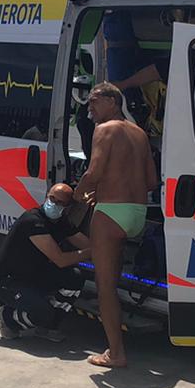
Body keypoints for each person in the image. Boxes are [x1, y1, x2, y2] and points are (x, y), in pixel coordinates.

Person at [76, 82, 158, 370]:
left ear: (113, 101)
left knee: (105, 287)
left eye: (95, 101)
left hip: (110, 213)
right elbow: (151, 181)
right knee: (112, 281)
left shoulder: (105, 129)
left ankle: (115, 353)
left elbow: (94, 171)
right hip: (137, 212)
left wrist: (76, 196)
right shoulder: (139, 134)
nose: (90, 107)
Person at [0, 183, 91, 342]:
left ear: (67, 207)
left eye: (60, 203)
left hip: (34, 275)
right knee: (43, 313)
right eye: (52, 198)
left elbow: (83, 242)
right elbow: (61, 260)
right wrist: (92, 253)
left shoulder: (60, 221)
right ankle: (8, 318)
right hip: (9, 281)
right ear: (46, 196)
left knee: (74, 277)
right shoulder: (33, 221)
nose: (54, 204)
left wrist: (104, 248)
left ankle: (48, 326)